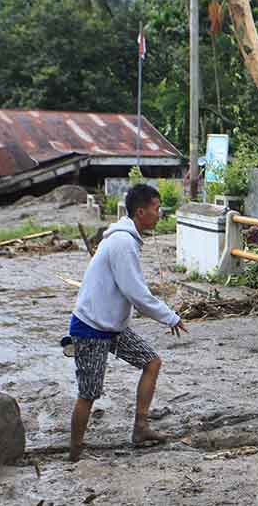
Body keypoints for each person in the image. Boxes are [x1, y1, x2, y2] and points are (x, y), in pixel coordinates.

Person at [67, 184, 188, 461]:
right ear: (141, 211)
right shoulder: (123, 243)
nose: (160, 214)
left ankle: (140, 428)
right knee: (89, 393)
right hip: (91, 327)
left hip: (112, 326)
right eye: (157, 209)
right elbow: (136, 293)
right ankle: (74, 453)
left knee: (151, 362)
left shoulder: (126, 239)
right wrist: (169, 317)